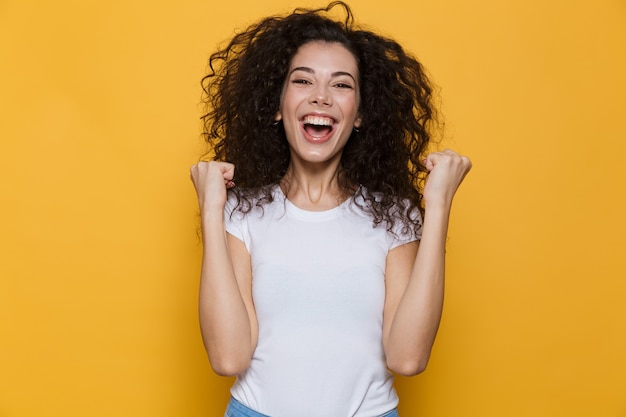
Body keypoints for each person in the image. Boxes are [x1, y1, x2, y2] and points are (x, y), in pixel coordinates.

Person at [190, 2, 472, 416]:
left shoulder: (394, 218)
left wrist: (438, 205)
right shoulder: (242, 213)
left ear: (359, 114)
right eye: (303, 80)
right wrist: (212, 211)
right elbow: (228, 359)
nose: (321, 97)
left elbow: (408, 358)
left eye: (341, 85)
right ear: (276, 104)